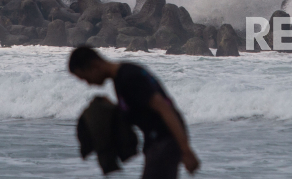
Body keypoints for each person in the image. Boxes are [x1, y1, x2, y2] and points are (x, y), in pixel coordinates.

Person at [69, 46, 200, 178]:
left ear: (94, 65)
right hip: (158, 141)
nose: (89, 83)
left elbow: (164, 108)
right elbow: (139, 109)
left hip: (164, 139)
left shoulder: (128, 77)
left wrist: (186, 150)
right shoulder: (121, 77)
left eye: (85, 78)